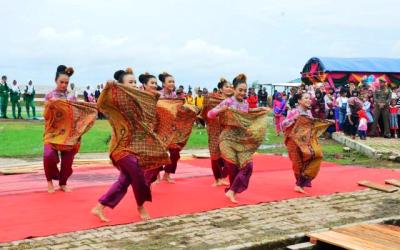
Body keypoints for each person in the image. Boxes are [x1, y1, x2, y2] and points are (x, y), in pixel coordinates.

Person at [92, 74, 170, 222]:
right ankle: (141, 206)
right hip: (121, 147)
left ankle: (100, 206)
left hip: (137, 147)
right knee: (138, 176)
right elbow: (101, 104)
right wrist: (108, 88)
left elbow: (153, 103)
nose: (134, 84)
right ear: (121, 84)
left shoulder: (141, 99)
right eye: (130, 82)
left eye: (135, 82)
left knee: (124, 181)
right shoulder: (118, 100)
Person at [208, 73, 269, 203]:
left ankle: (231, 191)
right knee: (233, 167)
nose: (242, 92)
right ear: (234, 90)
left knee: (248, 166)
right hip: (227, 139)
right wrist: (221, 110)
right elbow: (210, 114)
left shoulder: (245, 103)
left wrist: (260, 109)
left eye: (244, 90)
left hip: (241, 140)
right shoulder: (228, 102)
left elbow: (247, 113)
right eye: (240, 90)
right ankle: (232, 191)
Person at [43, 65, 97, 193]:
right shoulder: (49, 96)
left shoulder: (71, 97)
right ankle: (50, 181)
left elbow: (77, 113)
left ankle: (63, 183)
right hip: (53, 133)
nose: (64, 85)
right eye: (61, 82)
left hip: (70, 134)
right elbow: (46, 116)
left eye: (66, 83)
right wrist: (51, 105)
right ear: (55, 81)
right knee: (48, 155)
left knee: (67, 161)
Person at [282, 92, 331, 194]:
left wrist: (325, 122)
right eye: (306, 98)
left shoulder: (309, 113)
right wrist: (293, 119)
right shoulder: (294, 111)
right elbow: (283, 124)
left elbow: (311, 126)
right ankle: (299, 184)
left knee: (316, 155)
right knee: (297, 163)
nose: (309, 100)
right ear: (299, 100)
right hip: (293, 140)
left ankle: (302, 182)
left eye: (309, 98)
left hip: (305, 140)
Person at [201, 77, 233, 186]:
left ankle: (223, 176)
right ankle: (217, 179)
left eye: (231, 87)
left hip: (228, 130)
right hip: (214, 129)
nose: (229, 88)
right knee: (215, 154)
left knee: (229, 155)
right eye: (226, 86)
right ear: (221, 89)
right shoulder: (212, 99)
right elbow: (205, 111)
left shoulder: (234, 101)